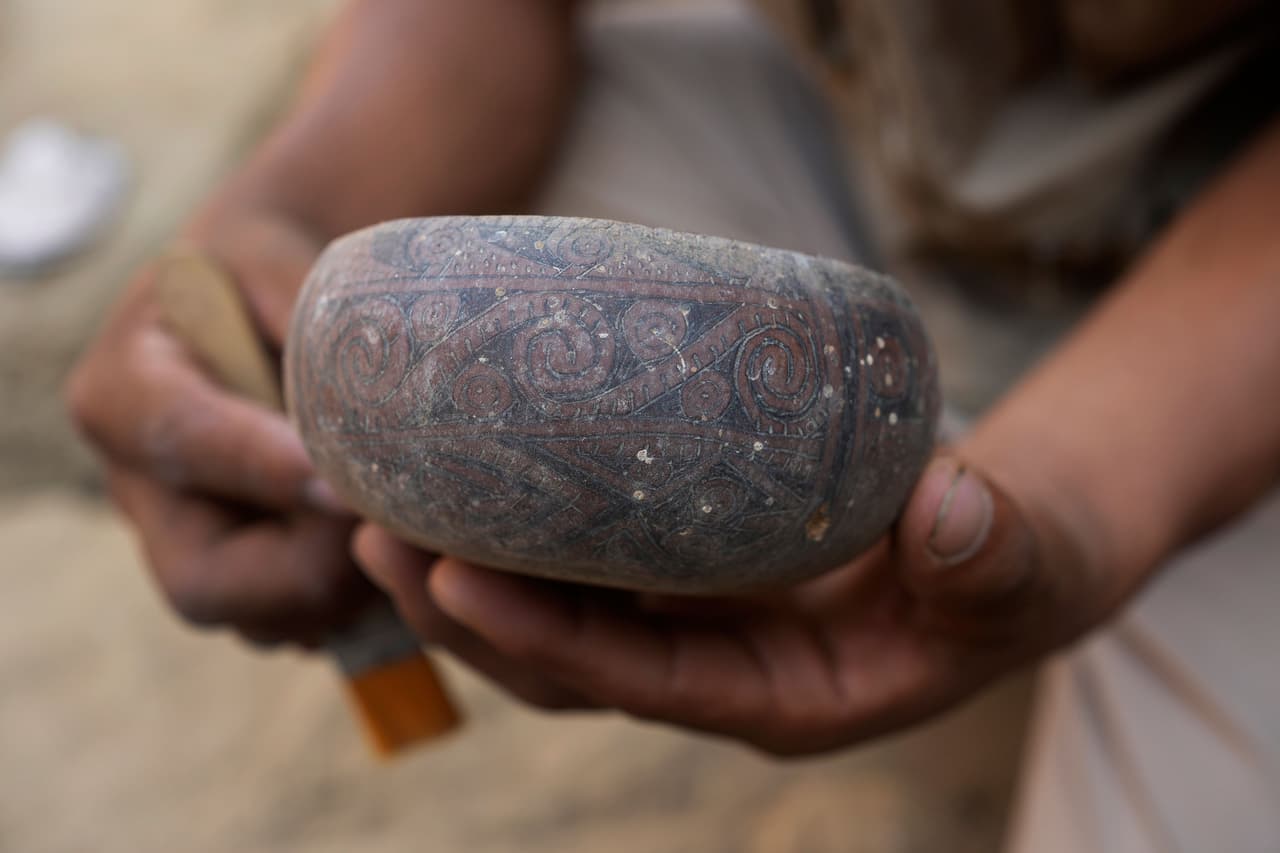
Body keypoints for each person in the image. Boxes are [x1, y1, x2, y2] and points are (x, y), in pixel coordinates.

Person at [67, 0, 1280, 849]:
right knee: (500, 250)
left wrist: (1083, 485)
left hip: (1227, 287)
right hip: (868, 151)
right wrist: (289, 221)